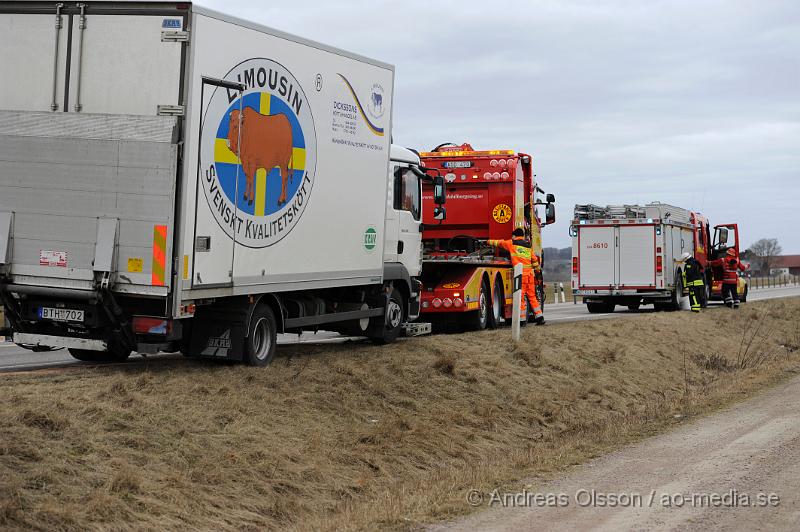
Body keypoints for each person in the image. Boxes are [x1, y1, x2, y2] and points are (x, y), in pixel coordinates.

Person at [487, 228, 544, 325]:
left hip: (520, 275)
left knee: (520, 297)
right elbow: (534, 260)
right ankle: (540, 318)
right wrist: (537, 272)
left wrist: (488, 241)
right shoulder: (527, 246)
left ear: (514, 235)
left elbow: (499, 243)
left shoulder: (511, 243)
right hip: (530, 275)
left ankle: (521, 321)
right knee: (532, 297)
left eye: (512, 235)